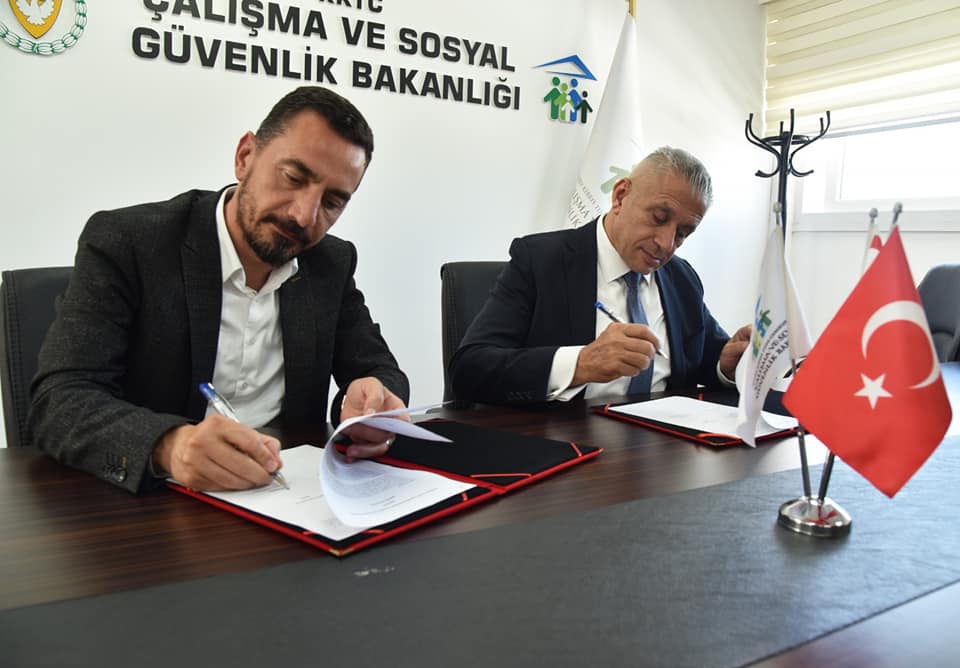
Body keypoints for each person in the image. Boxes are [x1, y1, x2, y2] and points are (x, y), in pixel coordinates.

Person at [28, 86, 409, 493]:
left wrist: (370, 403)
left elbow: (380, 371)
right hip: (151, 507)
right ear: (245, 157)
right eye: (293, 177)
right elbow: (60, 400)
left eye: (332, 201)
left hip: (288, 497)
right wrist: (169, 445)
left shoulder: (330, 262)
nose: (304, 215)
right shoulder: (129, 243)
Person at [449, 146, 750, 405]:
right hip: (565, 441)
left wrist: (726, 365)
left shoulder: (681, 278)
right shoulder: (540, 260)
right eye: (658, 218)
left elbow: (704, 359)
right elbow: (470, 368)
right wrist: (580, 363)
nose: (666, 243)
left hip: (662, 446)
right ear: (620, 196)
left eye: (683, 233)